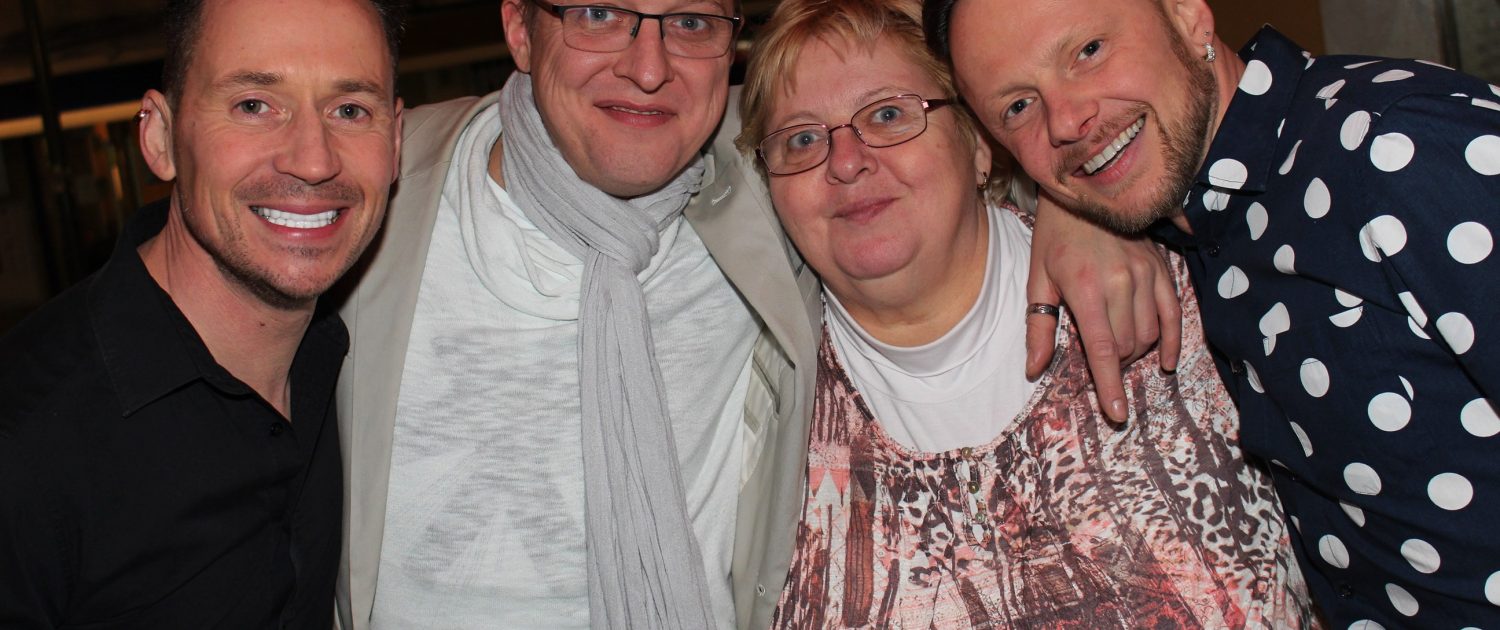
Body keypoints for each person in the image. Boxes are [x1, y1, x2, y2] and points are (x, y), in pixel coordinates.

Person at [332, 0, 1176, 628]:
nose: (649, 67)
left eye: (691, 22)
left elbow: (942, 101)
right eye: (598, 14)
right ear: (519, 26)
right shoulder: (372, 191)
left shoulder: (753, 179)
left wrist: (1084, 204)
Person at [735, 0, 1313, 626]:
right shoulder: (761, 419)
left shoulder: (1188, 288)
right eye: (801, 139)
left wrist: (1081, 208)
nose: (846, 162)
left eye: (889, 113)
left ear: (979, 146)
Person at [926, 0, 1500, 626]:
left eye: (1088, 51)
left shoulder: (1404, 146)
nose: (1066, 120)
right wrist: (1069, 209)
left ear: (1187, 14)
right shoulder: (1191, 223)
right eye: (1018, 106)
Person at [0, 0, 404, 627]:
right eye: (253, 105)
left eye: (350, 110)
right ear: (160, 138)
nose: (314, 159)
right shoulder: (26, 444)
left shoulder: (348, 359)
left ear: (396, 142)